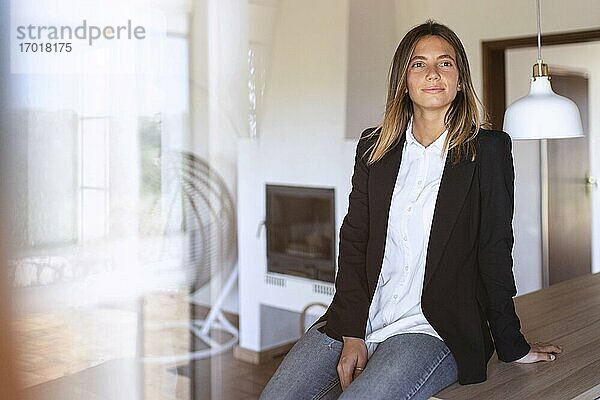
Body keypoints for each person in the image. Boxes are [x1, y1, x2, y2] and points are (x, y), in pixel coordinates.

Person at [260, 20, 562, 400]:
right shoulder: (374, 148)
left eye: (445, 63)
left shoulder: (488, 150)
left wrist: (512, 345)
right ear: (404, 79)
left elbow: (495, 251)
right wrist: (353, 332)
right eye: (419, 64)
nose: (433, 73)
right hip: (361, 316)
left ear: (460, 78)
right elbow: (354, 242)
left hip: (432, 329)